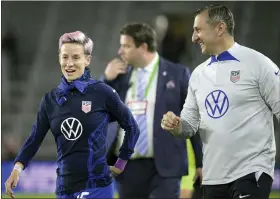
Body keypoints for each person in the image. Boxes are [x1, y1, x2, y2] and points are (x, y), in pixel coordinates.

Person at [161, 4, 280, 199]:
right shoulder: (198, 74)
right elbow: (188, 126)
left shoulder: (258, 64)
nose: (193, 37)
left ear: (220, 28)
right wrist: (175, 124)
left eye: (198, 30)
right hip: (213, 178)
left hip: (251, 172)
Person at [4, 31, 140, 199]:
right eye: (65, 57)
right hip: (64, 189)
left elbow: (132, 127)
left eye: (76, 57)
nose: (69, 63)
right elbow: (34, 139)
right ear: (59, 58)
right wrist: (17, 169)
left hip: (97, 187)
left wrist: (121, 162)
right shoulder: (50, 100)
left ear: (87, 60)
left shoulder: (102, 93)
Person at [101, 22, 203, 198]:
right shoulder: (119, 75)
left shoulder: (177, 74)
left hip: (165, 167)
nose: (120, 51)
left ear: (143, 47)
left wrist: (201, 162)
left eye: (126, 46)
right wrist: (106, 80)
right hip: (127, 168)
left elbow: (194, 120)